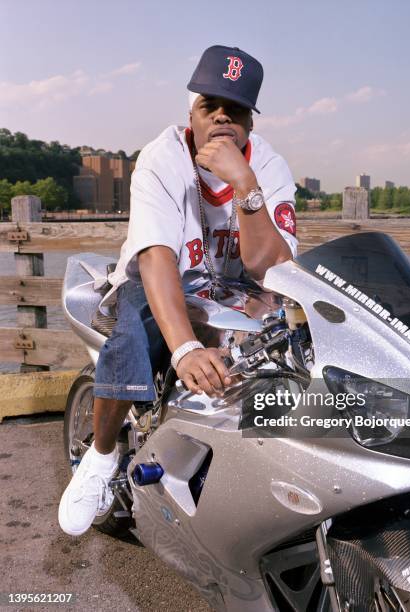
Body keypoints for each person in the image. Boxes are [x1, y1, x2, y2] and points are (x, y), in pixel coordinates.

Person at [58, 45, 298, 536]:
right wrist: (186, 347)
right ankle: (100, 460)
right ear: (192, 111)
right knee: (136, 328)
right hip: (156, 282)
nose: (221, 120)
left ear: (250, 123)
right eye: (210, 106)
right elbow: (156, 260)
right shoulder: (161, 158)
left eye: (235, 111)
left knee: (290, 339)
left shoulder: (268, 167)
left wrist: (245, 184)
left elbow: (272, 267)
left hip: (234, 285)